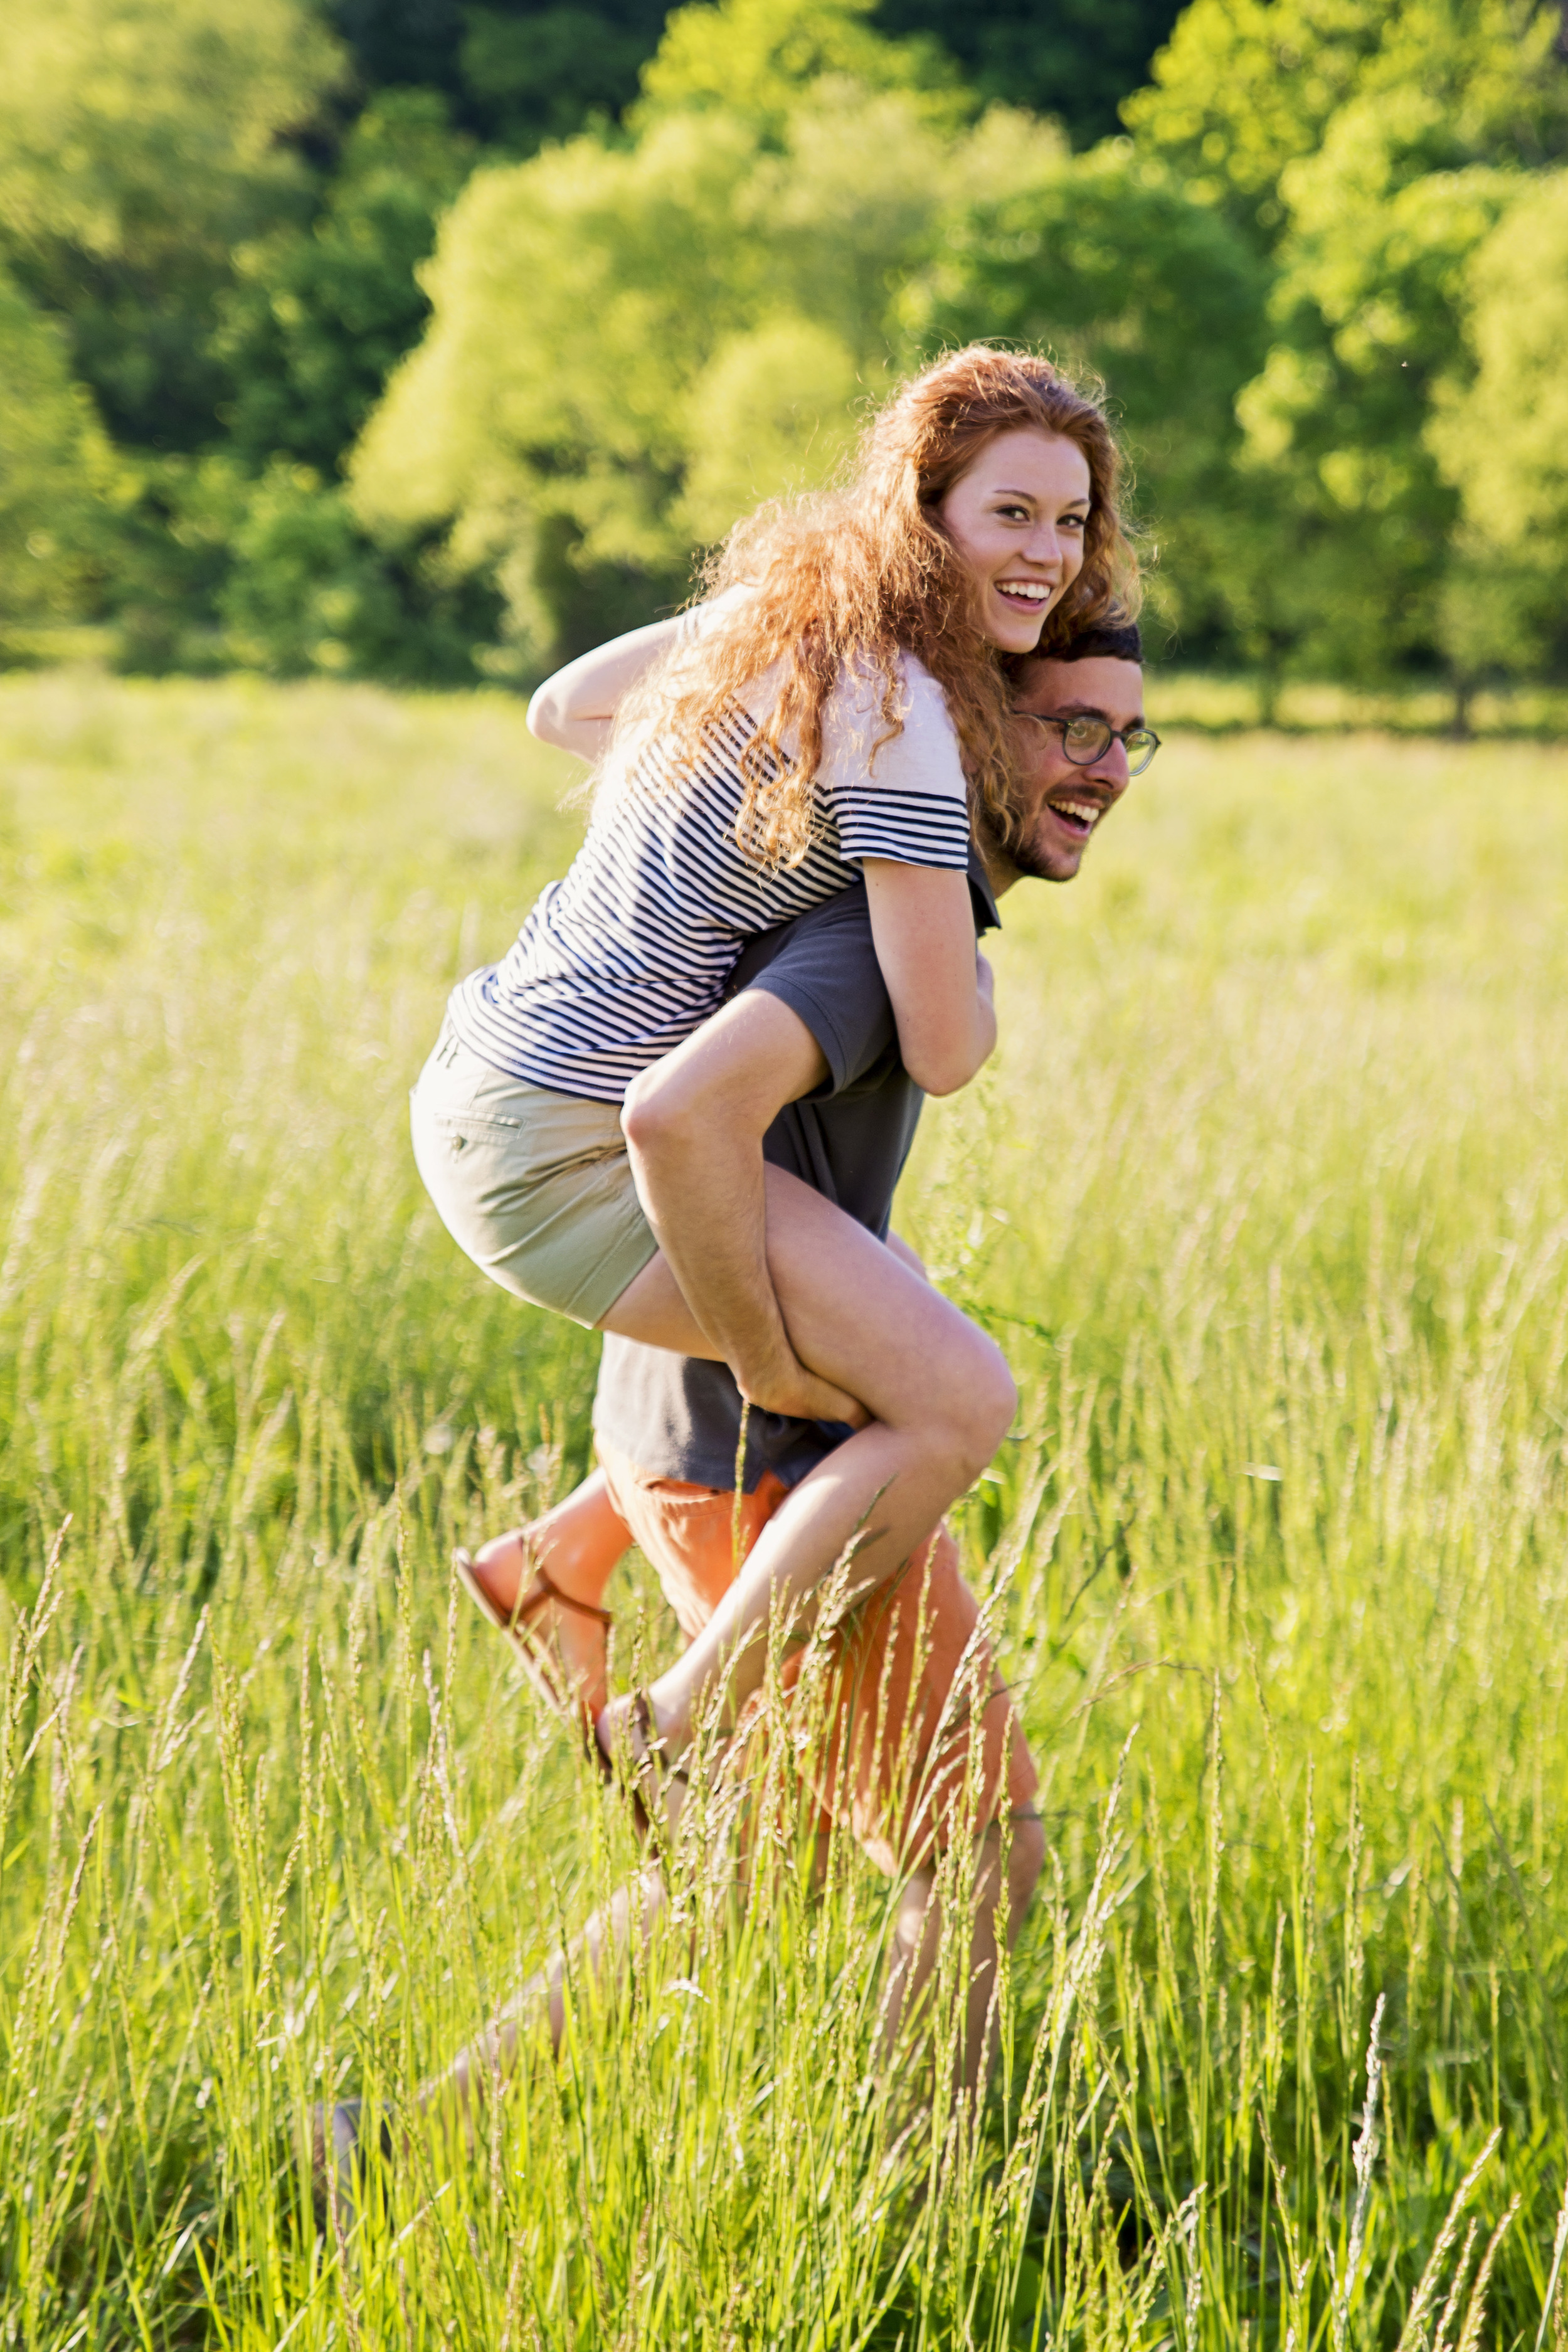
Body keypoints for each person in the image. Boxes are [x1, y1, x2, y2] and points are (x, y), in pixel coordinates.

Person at [440, 619, 1155, 2112]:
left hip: (691, 1427)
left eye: (1123, 736)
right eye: (1067, 729)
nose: (1102, 769)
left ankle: (398, 2143)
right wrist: (772, 1372)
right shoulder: (885, 930)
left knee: (770, 1855)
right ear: (962, 734)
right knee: (974, 1849)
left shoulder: (869, 892)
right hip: (762, 1440)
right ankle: (916, 2217)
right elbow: (690, 1121)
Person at [410, 347, 1138, 1804]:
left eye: (1069, 522)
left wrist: (745, 763)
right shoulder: (906, 731)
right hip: (564, 1145)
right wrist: (964, 961)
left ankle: (566, 1558)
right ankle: (678, 1720)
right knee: (951, 1397)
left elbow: (561, 707)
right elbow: (939, 1048)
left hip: (485, 1072)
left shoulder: (792, 631)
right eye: (1009, 514)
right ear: (921, 514)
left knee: (888, 1278)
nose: (1047, 557)